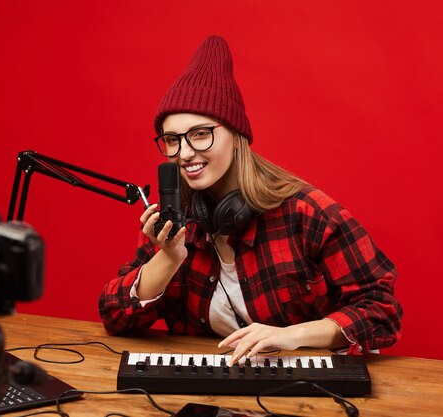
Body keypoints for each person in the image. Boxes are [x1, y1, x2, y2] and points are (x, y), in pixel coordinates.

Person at [99, 35, 402, 365]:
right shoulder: (176, 219)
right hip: (213, 392)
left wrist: (290, 336)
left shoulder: (306, 212)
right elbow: (116, 318)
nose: (184, 153)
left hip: (308, 389)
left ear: (236, 135)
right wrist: (169, 258)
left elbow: (381, 310)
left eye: (201, 133)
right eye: (173, 140)